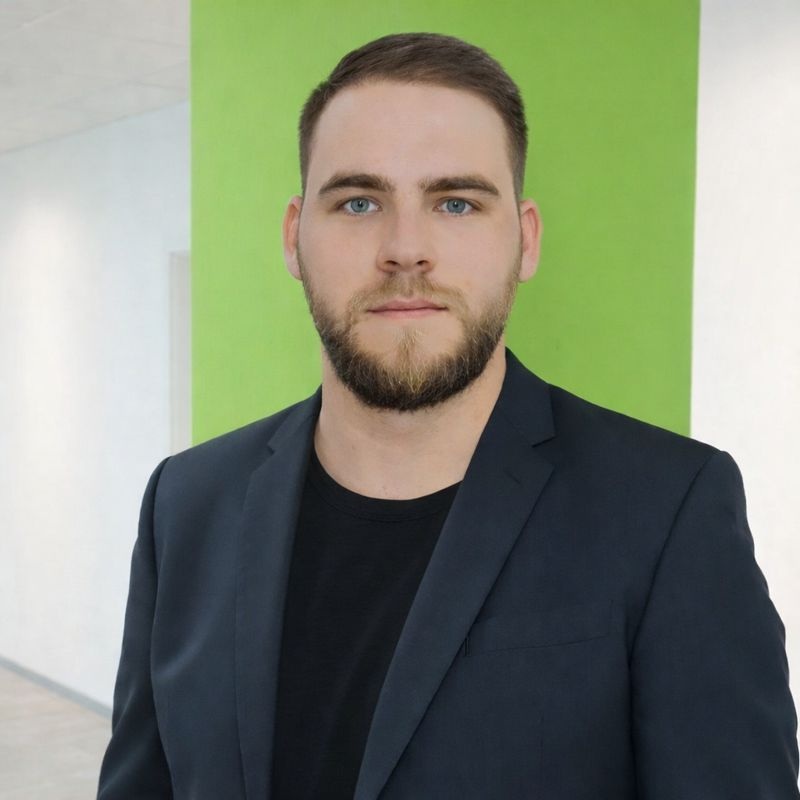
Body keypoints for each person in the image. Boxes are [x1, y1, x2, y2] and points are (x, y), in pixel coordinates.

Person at [97, 32, 799, 800]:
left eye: (456, 203)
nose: (406, 249)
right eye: (359, 202)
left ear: (525, 241)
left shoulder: (668, 512)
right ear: (295, 237)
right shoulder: (187, 504)